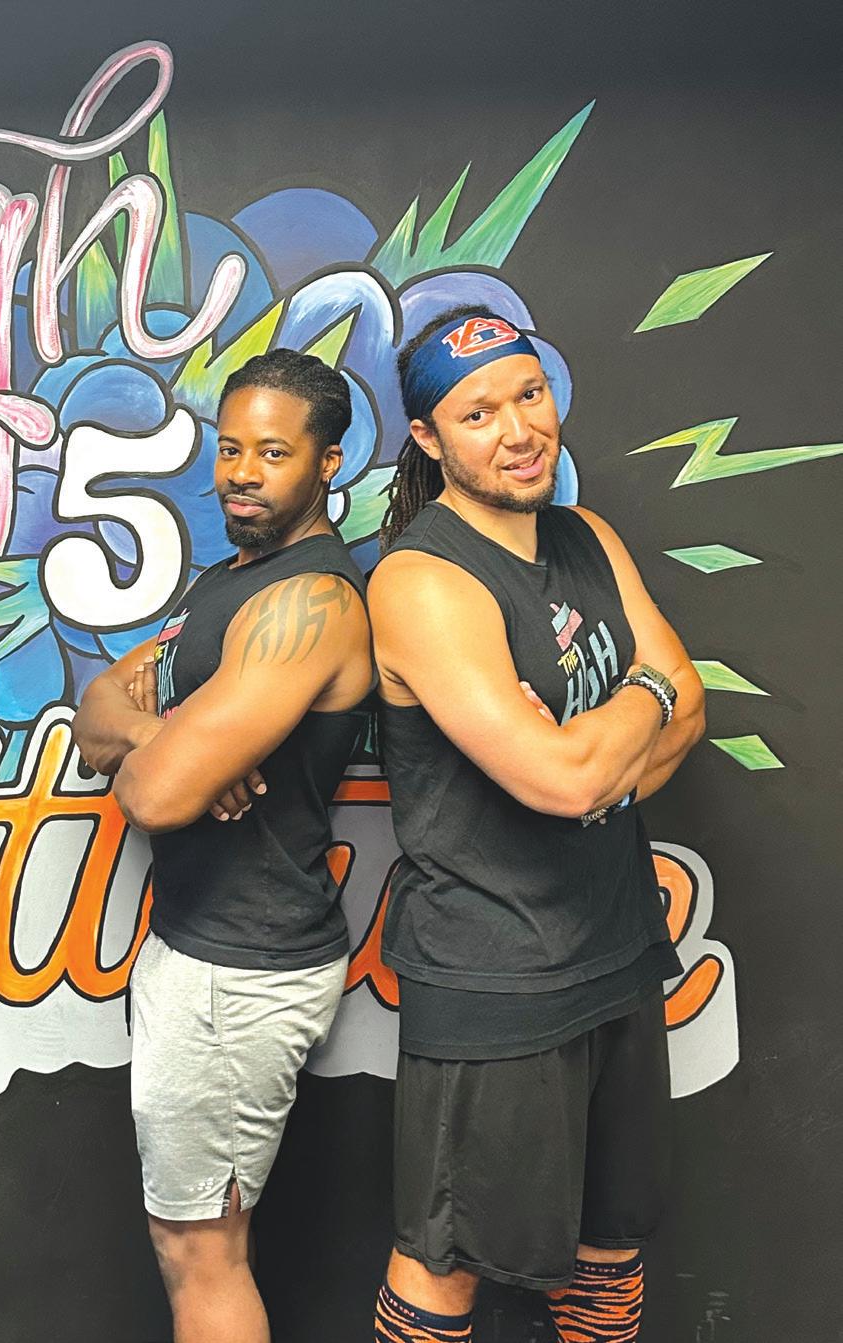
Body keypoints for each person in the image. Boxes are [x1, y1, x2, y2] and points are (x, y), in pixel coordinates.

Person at [366, 306, 706, 1342]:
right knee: (446, 1266)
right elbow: (565, 778)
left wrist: (602, 754)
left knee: (609, 1252)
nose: (518, 430)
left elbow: (689, 705)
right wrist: (636, 703)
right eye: (478, 413)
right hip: (497, 979)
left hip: (616, 946)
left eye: (529, 394)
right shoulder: (423, 581)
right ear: (428, 437)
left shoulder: (586, 536)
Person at [74, 348, 375, 1343]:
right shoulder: (231, 582)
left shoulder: (309, 602)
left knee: (201, 1251)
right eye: (230, 446)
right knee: (188, 1243)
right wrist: (165, 734)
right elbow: (94, 712)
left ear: (328, 462)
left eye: (273, 453)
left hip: (239, 971)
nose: (242, 472)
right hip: (200, 951)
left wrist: (163, 756)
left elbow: (153, 797)